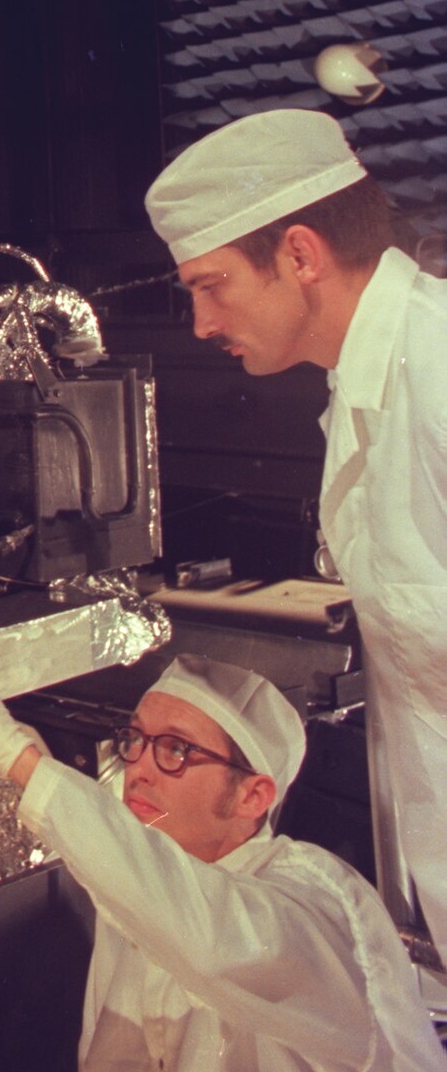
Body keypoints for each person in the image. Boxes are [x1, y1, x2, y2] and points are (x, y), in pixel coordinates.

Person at [0, 634, 447, 1072]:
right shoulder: (137, 902)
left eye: (177, 750)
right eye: (136, 740)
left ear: (253, 796)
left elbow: (215, 936)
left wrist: (26, 763)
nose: (139, 768)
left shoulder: (317, 901)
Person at [143, 106, 447, 957]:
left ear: (300, 256)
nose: (202, 324)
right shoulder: (359, 386)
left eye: (211, 285)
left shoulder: (439, 362)